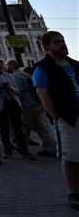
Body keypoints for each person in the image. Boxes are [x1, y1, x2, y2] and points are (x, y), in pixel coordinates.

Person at [34, 31, 79, 210]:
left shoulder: (76, 64)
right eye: (56, 42)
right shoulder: (42, 67)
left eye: (63, 41)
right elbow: (42, 93)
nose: (62, 44)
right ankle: (73, 192)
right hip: (66, 116)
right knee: (71, 156)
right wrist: (56, 116)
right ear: (46, 47)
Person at [0, 57, 32, 160]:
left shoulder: (9, 76)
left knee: (17, 128)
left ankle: (24, 151)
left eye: (0, 66)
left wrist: (10, 87)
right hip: (0, 104)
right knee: (4, 129)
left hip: (12, 102)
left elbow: (17, 90)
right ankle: (8, 151)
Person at [14, 64, 57, 157]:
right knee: (42, 127)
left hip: (27, 106)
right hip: (37, 104)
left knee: (25, 127)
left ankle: (21, 146)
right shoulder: (26, 75)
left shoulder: (16, 76)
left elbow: (19, 92)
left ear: (11, 66)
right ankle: (51, 148)